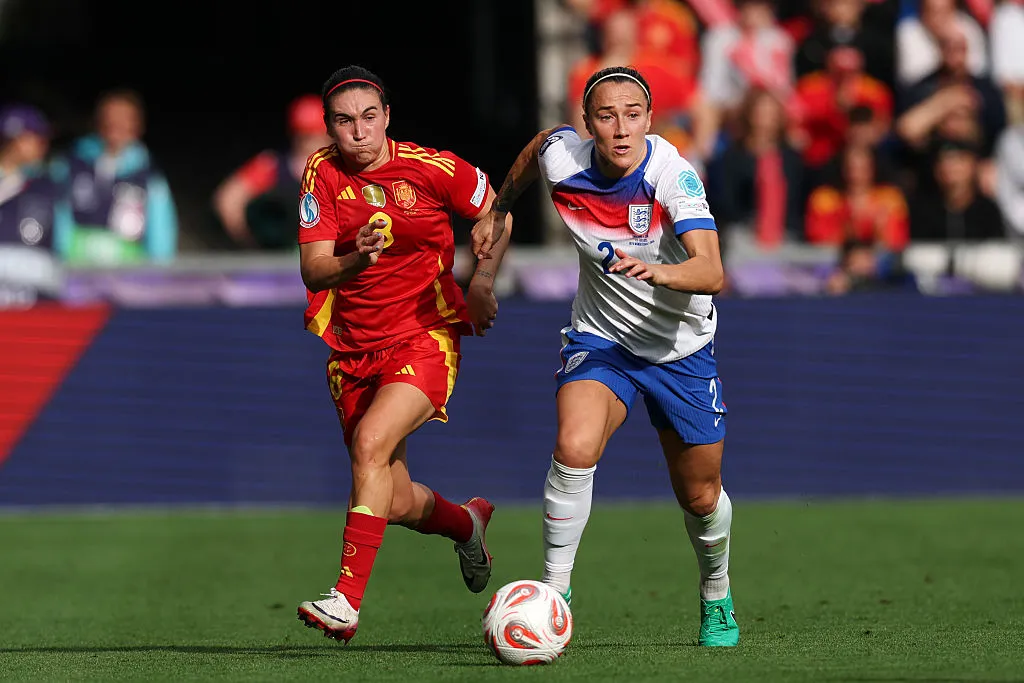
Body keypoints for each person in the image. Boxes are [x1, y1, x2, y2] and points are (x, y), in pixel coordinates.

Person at [473, 66, 738, 647]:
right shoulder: (564, 158)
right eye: (606, 116)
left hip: (680, 350)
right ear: (587, 122)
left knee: (699, 495)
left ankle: (716, 592)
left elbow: (713, 271)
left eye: (632, 114)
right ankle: (554, 594)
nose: (621, 129)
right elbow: (539, 146)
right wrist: (500, 204)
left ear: (649, 117)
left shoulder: (672, 175)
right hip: (603, 341)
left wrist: (660, 272)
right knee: (573, 447)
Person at [294, 66, 512, 644]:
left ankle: (345, 599)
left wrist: (483, 281)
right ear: (329, 127)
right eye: (344, 122)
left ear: (387, 117)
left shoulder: (433, 168)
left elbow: (496, 211)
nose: (358, 133)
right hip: (351, 348)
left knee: (370, 443)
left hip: (425, 333)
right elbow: (313, 268)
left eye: (369, 117)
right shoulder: (320, 172)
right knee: (388, 499)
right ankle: (466, 523)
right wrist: (354, 261)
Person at [50, 89, 178, 265]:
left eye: (124, 118)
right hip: (76, 275)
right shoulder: (69, 165)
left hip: (127, 279)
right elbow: (57, 217)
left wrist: (157, 277)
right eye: (109, 117)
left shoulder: (149, 176)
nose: (115, 124)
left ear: (138, 125)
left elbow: (161, 239)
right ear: (98, 121)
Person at [213, 94, 332, 250]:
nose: (308, 141)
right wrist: (253, 244)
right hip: (281, 261)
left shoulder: (345, 168)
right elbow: (227, 201)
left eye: (313, 135)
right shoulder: (272, 165)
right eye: (303, 135)